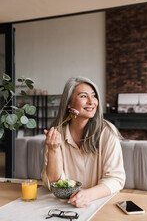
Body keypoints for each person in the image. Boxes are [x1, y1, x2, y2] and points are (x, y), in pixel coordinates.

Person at [41, 76, 125, 208]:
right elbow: (54, 183)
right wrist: (53, 149)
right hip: (64, 205)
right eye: (84, 96)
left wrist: (87, 195)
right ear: (69, 104)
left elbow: (115, 178)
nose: (92, 101)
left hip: (100, 203)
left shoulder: (107, 132)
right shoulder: (57, 134)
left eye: (94, 96)